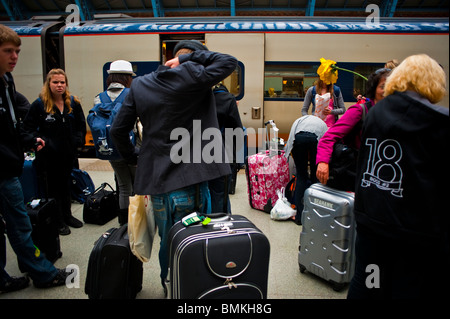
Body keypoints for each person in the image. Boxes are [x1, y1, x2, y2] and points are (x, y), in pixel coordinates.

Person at [110, 40, 237, 295]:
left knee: (167, 242)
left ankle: (169, 283)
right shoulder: (194, 75)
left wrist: (135, 156)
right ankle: (190, 289)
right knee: (194, 241)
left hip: (157, 185)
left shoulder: (141, 84)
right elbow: (228, 62)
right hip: (192, 182)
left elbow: (117, 130)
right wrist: (190, 61)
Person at [347, 54, 449, 299]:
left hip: (371, 219)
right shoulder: (439, 120)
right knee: (407, 286)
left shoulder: (375, 111)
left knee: (367, 280)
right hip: (413, 229)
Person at [0, 24, 72, 293]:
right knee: (19, 223)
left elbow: (11, 122)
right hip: (4, 169)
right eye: (8, 51)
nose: (14, 57)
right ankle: (44, 274)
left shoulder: (6, 81)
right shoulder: (38, 103)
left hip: (9, 164)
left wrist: (27, 140)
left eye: (17, 51)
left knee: (17, 223)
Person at [22, 69, 86, 235]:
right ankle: (57, 221)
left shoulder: (73, 103)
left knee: (66, 186)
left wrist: (78, 141)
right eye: (55, 82)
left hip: (68, 154)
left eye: (62, 82)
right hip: (49, 156)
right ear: (48, 84)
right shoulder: (39, 105)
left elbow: (80, 124)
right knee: (52, 189)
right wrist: (36, 141)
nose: (59, 86)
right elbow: (27, 128)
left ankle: (67, 215)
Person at [315, 68, 391, 190]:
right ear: (374, 89)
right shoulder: (360, 111)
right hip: (361, 173)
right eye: (383, 86)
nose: (387, 90)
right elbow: (328, 137)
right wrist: (323, 162)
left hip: (384, 173)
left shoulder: (395, 113)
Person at [93, 60, 138, 225]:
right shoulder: (132, 93)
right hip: (131, 146)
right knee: (136, 185)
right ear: (127, 78)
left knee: (124, 186)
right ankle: (136, 221)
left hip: (110, 147)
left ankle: (123, 223)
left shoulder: (99, 97)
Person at [284, 115, 328, 224]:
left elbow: (291, 140)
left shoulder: (299, 120)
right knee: (315, 177)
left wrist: (294, 158)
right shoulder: (323, 124)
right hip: (316, 140)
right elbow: (325, 143)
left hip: (298, 138)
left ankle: (299, 217)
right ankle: (316, 216)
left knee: (301, 176)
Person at [208, 83, 243, 214]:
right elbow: (237, 129)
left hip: (202, 153)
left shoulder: (205, 98)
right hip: (223, 153)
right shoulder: (230, 99)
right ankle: (222, 223)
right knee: (221, 193)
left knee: (207, 192)